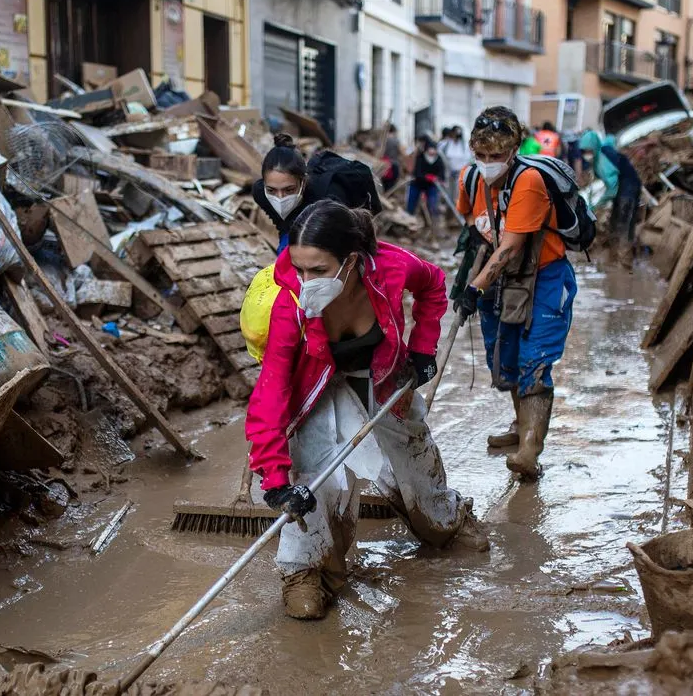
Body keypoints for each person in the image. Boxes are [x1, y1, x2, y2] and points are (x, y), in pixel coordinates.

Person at [246, 200, 489, 620]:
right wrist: (274, 477)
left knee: (414, 461)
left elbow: (432, 285)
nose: (306, 282)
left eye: (318, 271)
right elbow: (272, 390)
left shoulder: (390, 268)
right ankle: (306, 571)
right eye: (299, 269)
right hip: (316, 384)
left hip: (382, 372)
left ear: (352, 261)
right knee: (311, 471)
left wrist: (422, 348)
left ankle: (444, 519)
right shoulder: (291, 304)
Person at [454, 106, 578, 479]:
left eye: (497, 156)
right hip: (500, 280)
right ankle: (520, 424)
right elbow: (474, 228)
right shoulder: (470, 180)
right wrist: (467, 279)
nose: (489, 163)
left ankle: (529, 451)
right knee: (505, 357)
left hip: (544, 277)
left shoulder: (528, 182)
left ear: (512, 151)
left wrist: (475, 287)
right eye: (482, 156)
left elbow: (510, 248)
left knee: (535, 362)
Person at [252, 133, 380, 250]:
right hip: (297, 228)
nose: (280, 197)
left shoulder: (330, 197)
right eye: (272, 190)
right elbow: (282, 223)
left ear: (303, 181)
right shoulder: (260, 193)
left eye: (289, 189)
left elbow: (347, 239)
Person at [578, 130, 642, 259]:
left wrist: (598, 205)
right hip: (622, 191)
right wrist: (589, 204)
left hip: (628, 191)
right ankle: (613, 259)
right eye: (584, 152)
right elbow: (595, 185)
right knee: (614, 224)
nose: (587, 155)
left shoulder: (604, 157)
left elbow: (612, 186)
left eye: (589, 151)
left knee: (623, 226)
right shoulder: (598, 158)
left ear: (594, 147)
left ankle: (624, 263)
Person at [407, 139, 446, 218]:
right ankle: (409, 217)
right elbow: (417, 173)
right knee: (411, 203)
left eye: (434, 149)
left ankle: (432, 221)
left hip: (432, 185)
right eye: (430, 149)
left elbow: (442, 173)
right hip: (417, 184)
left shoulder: (438, 160)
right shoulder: (420, 158)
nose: (432, 151)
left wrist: (438, 178)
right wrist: (426, 177)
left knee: (432, 204)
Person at [439, 125, 471, 194]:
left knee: (458, 193)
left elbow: (468, 159)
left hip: (460, 173)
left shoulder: (465, 145)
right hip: (448, 173)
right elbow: (440, 154)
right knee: (448, 192)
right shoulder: (445, 144)